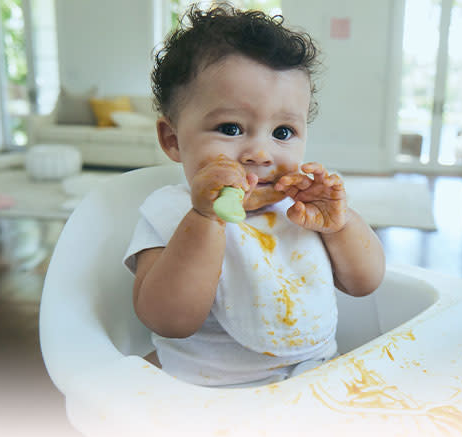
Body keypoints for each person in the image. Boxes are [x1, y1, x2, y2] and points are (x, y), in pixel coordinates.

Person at [124, 4, 385, 387]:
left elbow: (366, 283)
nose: (259, 153)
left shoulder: (302, 207)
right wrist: (205, 219)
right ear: (173, 140)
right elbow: (171, 320)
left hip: (318, 377)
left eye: (282, 133)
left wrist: (339, 226)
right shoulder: (170, 213)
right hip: (213, 395)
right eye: (230, 128)